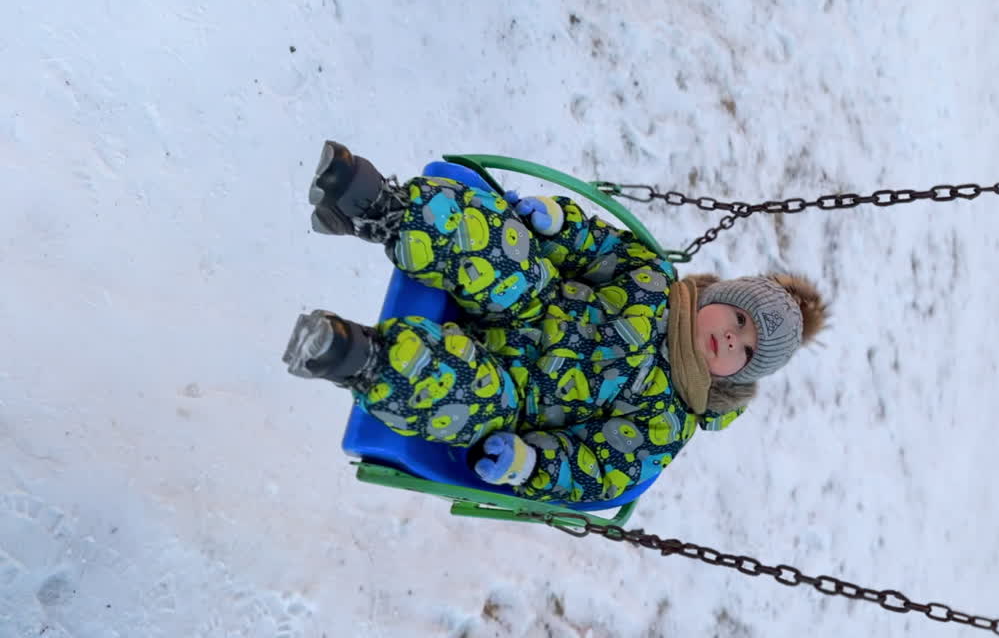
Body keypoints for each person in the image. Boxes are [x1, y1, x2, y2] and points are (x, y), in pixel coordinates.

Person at [283, 140, 828, 503]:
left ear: (740, 374)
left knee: (470, 396)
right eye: (739, 318)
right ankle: (379, 208)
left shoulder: (668, 418)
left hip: (520, 396)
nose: (731, 338)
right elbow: (598, 248)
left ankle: (355, 357)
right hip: (532, 303)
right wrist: (556, 225)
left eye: (747, 351)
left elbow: (597, 469)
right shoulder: (656, 280)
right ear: (720, 295)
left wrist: (530, 464)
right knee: (504, 252)